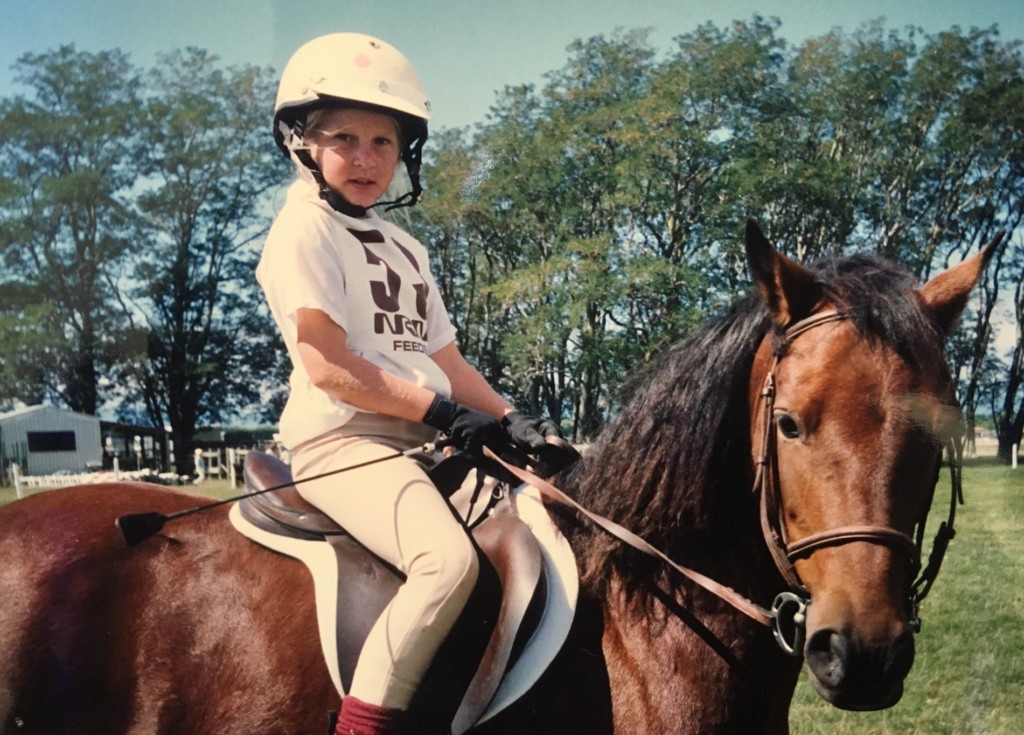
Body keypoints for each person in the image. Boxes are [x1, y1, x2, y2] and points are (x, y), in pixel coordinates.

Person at [257, 33, 564, 735]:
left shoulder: (407, 248)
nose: (366, 159)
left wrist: (518, 422)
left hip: (424, 442)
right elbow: (329, 366)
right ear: (303, 143)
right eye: (345, 138)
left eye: (383, 143)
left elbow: (449, 363)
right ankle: (362, 726)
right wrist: (445, 413)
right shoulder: (302, 229)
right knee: (446, 563)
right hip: (345, 443)